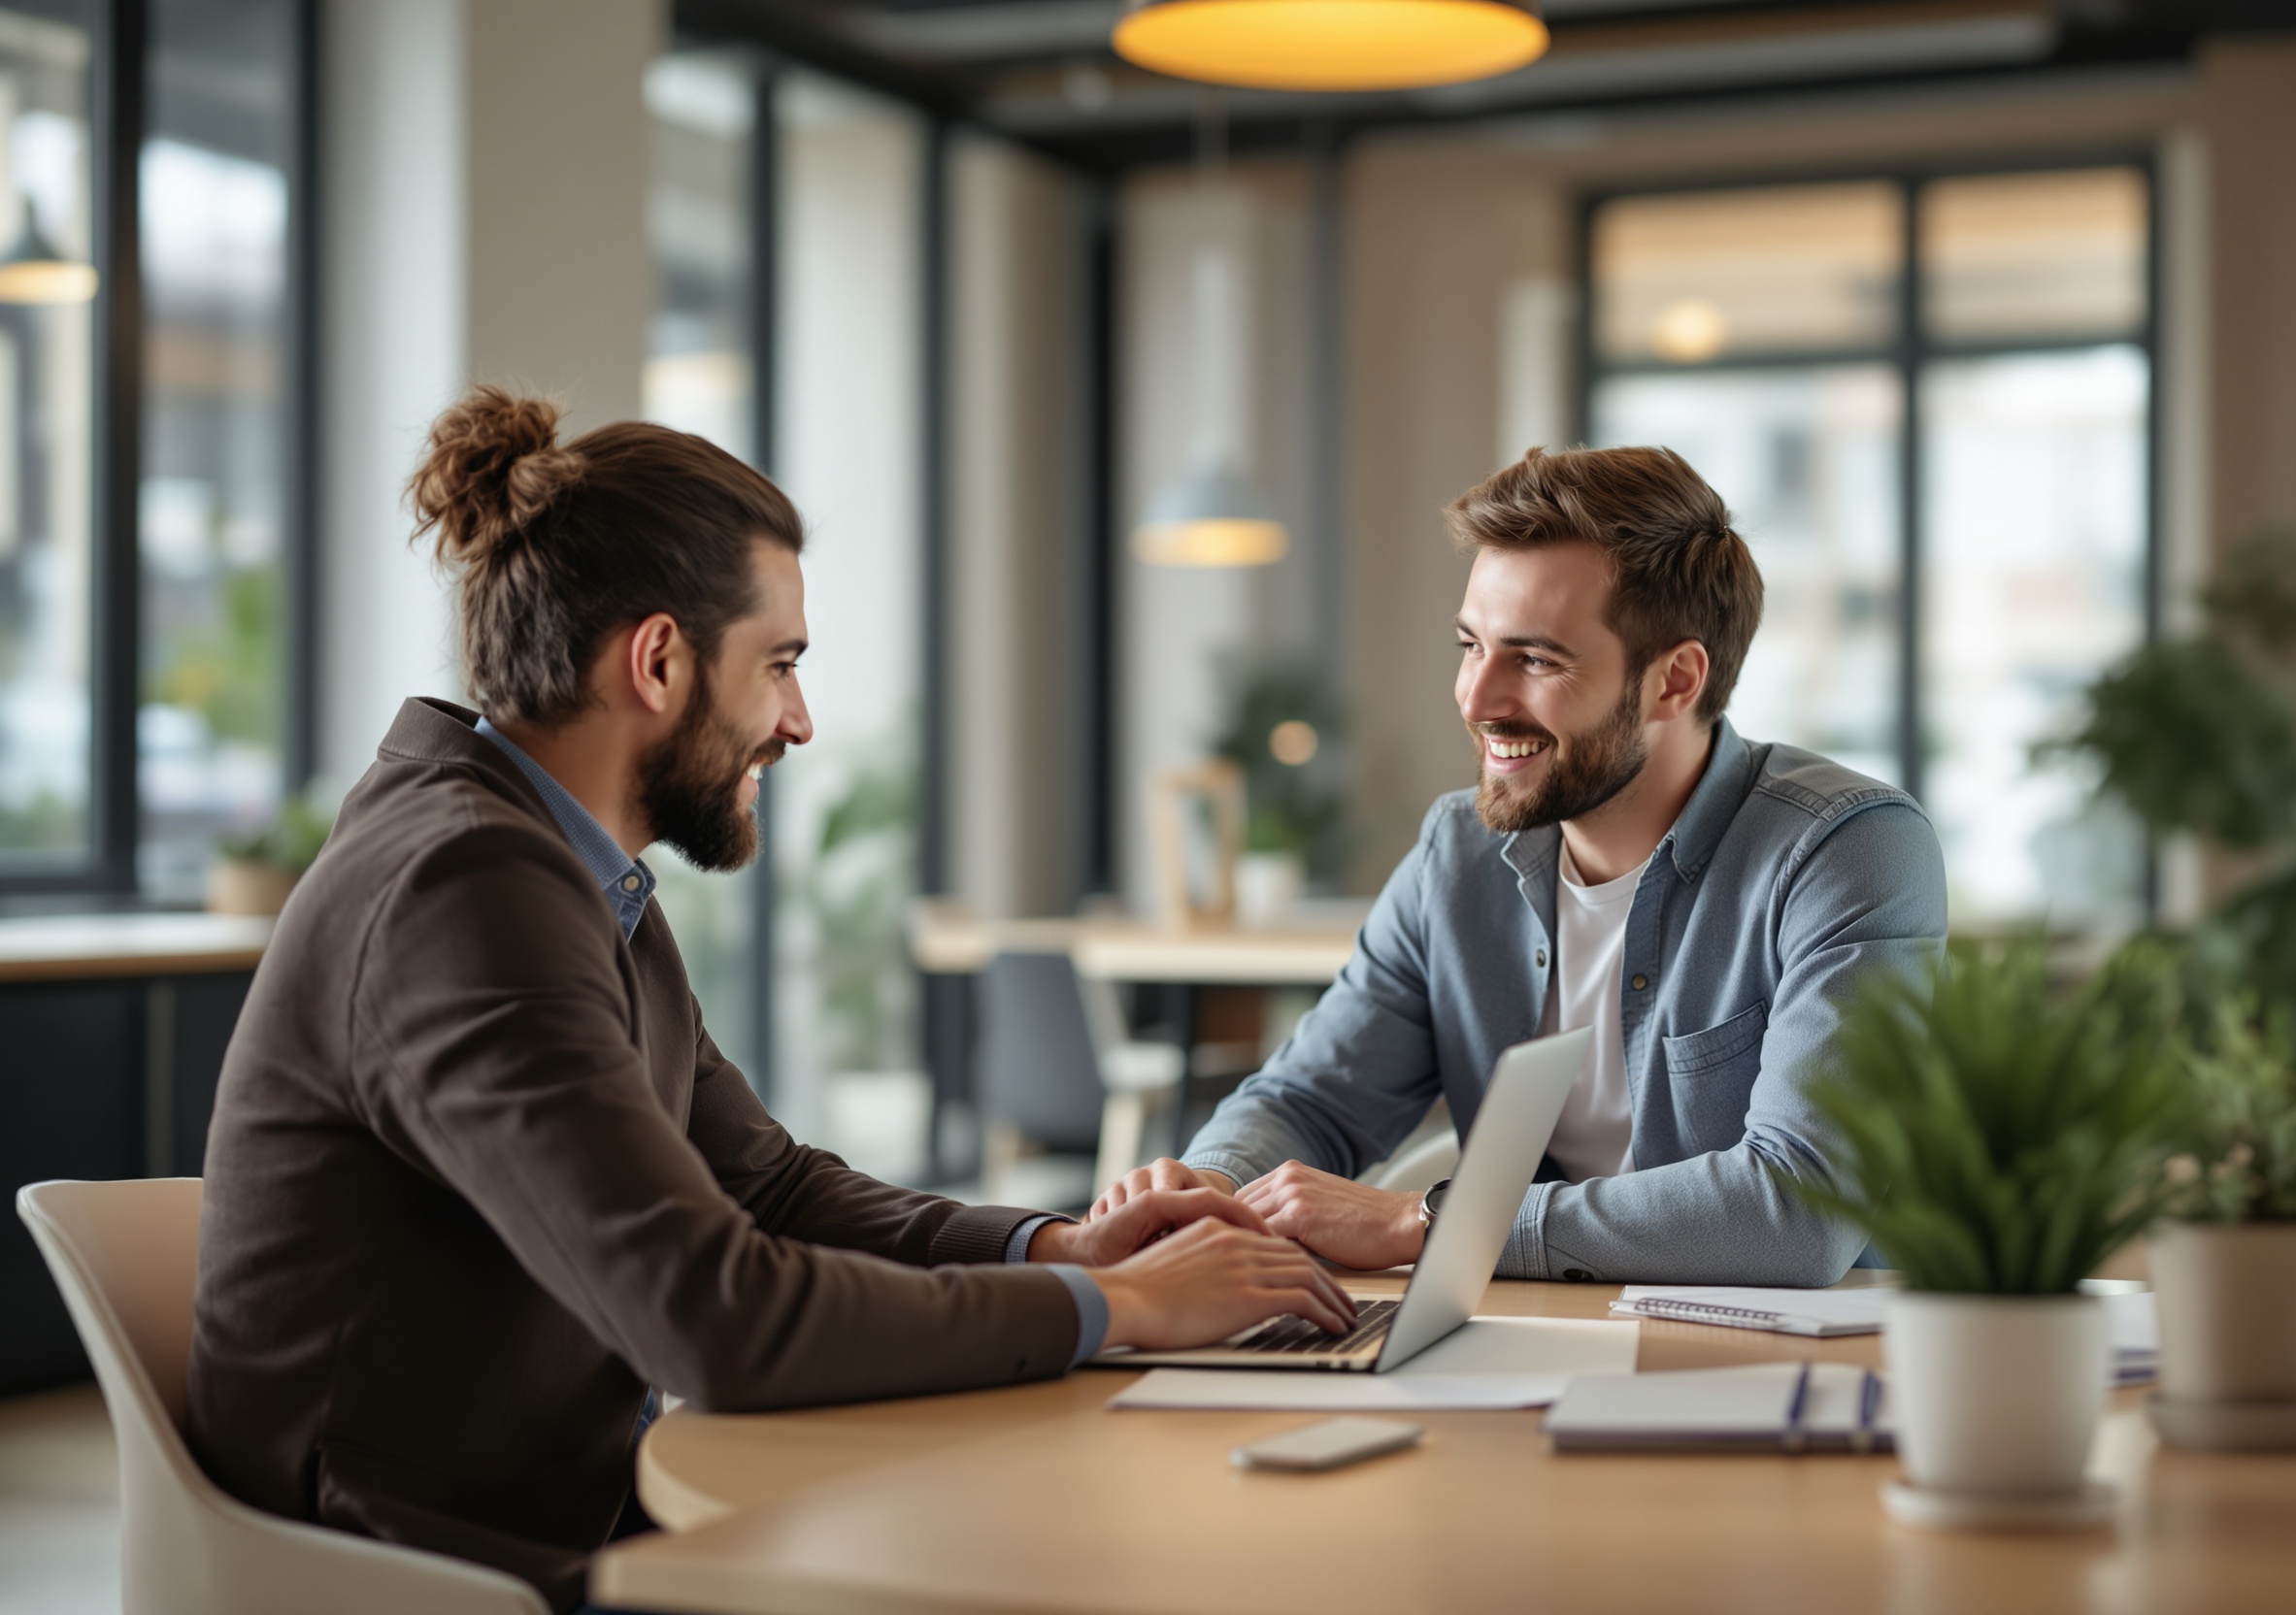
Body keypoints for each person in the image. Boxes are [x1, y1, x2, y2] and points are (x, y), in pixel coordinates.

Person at [184, 386, 1351, 1613]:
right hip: (423, 1566)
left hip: (563, 1509)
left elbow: (768, 1183)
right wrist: (1115, 1305)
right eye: (781, 665)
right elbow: (713, 1322)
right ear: (658, 659)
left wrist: (1057, 1245)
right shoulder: (463, 887)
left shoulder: (562, 867)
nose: (797, 722)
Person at [1097, 445, 1947, 1287]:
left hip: (1791, 1374)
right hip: (1527, 1343)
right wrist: (1212, 1185)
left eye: (1536, 659)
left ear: (1674, 681)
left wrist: (1426, 1221)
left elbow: (1799, 1212)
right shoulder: (1455, 854)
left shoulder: (1846, 849)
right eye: (1472, 646)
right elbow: (1310, 1100)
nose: (1476, 698)